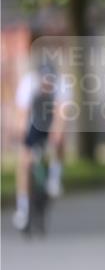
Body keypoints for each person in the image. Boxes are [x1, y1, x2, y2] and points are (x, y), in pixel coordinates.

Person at [12, 60, 69, 230]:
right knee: (24, 162)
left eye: (50, 82)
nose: (47, 85)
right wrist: (24, 140)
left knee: (60, 139)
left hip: (51, 121)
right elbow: (22, 116)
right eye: (44, 82)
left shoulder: (63, 85)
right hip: (34, 123)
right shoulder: (28, 84)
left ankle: (54, 177)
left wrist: (56, 134)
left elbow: (61, 116)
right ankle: (22, 208)